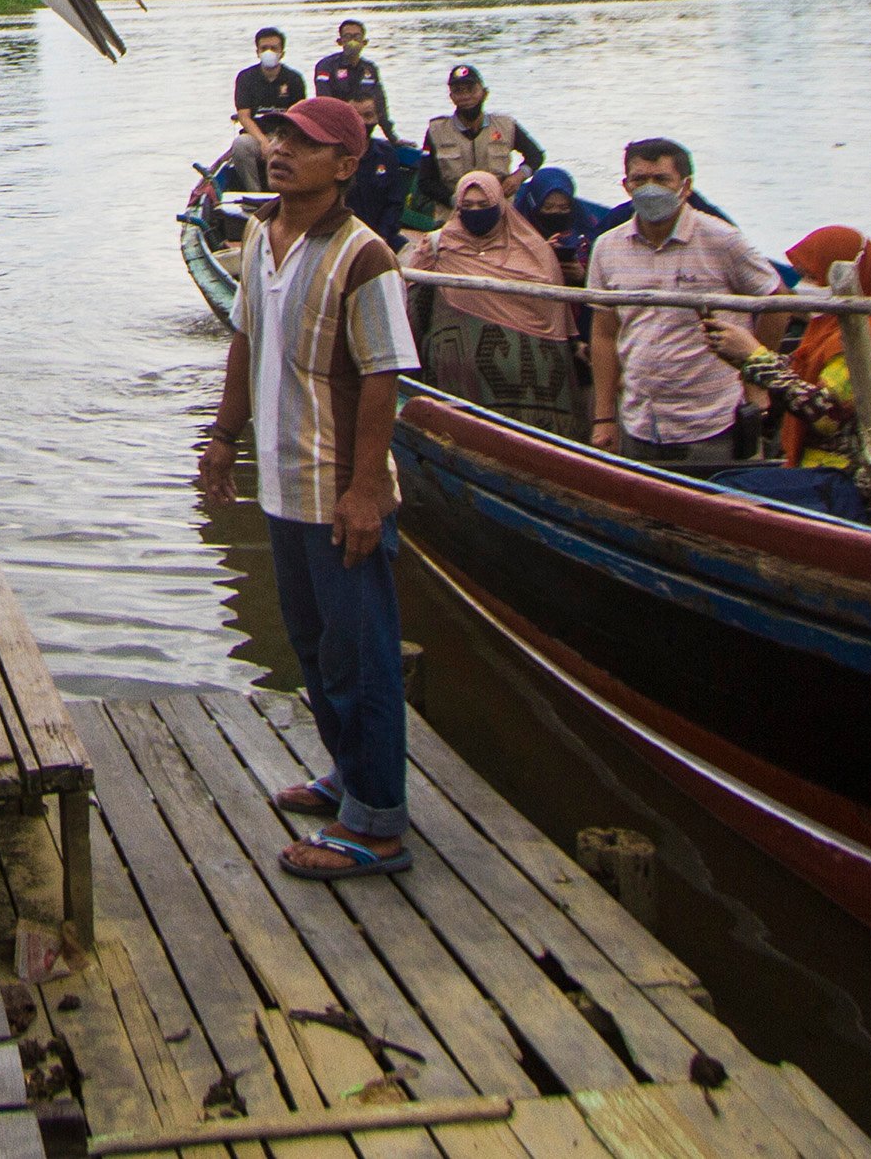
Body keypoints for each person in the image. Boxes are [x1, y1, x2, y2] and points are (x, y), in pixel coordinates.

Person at [196, 96, 418, 880]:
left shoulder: (366, 257)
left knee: (363, 659)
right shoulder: (261, 235)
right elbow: (247, 339)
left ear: (347, 164)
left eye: (306, 141)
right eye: (281, 134)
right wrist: (224, 437)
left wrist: (365, 490)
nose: (282, 148)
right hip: (283, 485)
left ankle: (379, 825)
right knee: (315, 647)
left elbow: (385, 376)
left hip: (338, 493)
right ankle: (349, 775)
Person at [583, 138, 786, 469]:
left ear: (686, 186)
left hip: (711, 422)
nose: (650, 189)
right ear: (626, 186)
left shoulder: (722, 241)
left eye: (661, 180)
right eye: (639, 180)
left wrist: (754, 374)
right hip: (640, 421)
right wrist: (604, 417)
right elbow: (605, 333)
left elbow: (776, 302)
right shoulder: (608, 248)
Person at [398, 146, 584, 434]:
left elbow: (556, 319)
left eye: (483, 204)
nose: (476, 212)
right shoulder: (438, 247)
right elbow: (416, 308)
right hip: (460, 378)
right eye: (468, 206)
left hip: (534, 390)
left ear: (500, 205)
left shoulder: (535, 252)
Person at [766, 226, 871, 475]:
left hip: (859, 484)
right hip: (820, 471)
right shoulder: (825, 329)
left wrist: (754, 359)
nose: (803, 286)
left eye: (813, 276)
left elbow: (824, 413)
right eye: (801, 276)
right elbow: (795, 372)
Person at [420, 63, 545, 199]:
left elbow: (536, 156)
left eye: (471, 90)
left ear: (484, 93)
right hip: (453, 210)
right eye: (458, 91)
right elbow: (425, 181)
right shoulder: (436, 131)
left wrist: (518, 177)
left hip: (499, 208)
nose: (465, 97)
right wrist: (455, 201)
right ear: (451, 97)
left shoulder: (506, 126)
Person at [310, 19, 391, 136]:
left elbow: (380, 104)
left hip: (364, 128)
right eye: (347, 37)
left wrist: (391, 137)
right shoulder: (326, 66)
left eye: (357, 37)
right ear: (340, 41)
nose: (352, 42)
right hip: (335, 128)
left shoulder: (370, 69)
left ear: (364, 42)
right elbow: (324, 101)